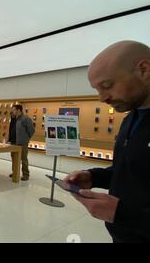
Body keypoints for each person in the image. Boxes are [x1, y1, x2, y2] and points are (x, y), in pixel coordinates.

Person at [64, 40, 150, 243]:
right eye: (97, 89)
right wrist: (94, 177)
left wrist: (122, 214)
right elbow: (132, 170)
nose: (102, 98)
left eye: (107, 85)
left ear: (144, 70)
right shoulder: (131, 118)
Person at [7, 104, 35, 181]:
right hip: (13, 143)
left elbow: (31, 131)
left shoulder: (26, 119)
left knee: (23, 159)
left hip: (22, 143)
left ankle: (26, 174)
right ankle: (15, 172)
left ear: (18, 110)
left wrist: (25, 139)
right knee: (14, 159)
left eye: (13, 110)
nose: (12, 111)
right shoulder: (14, 119)